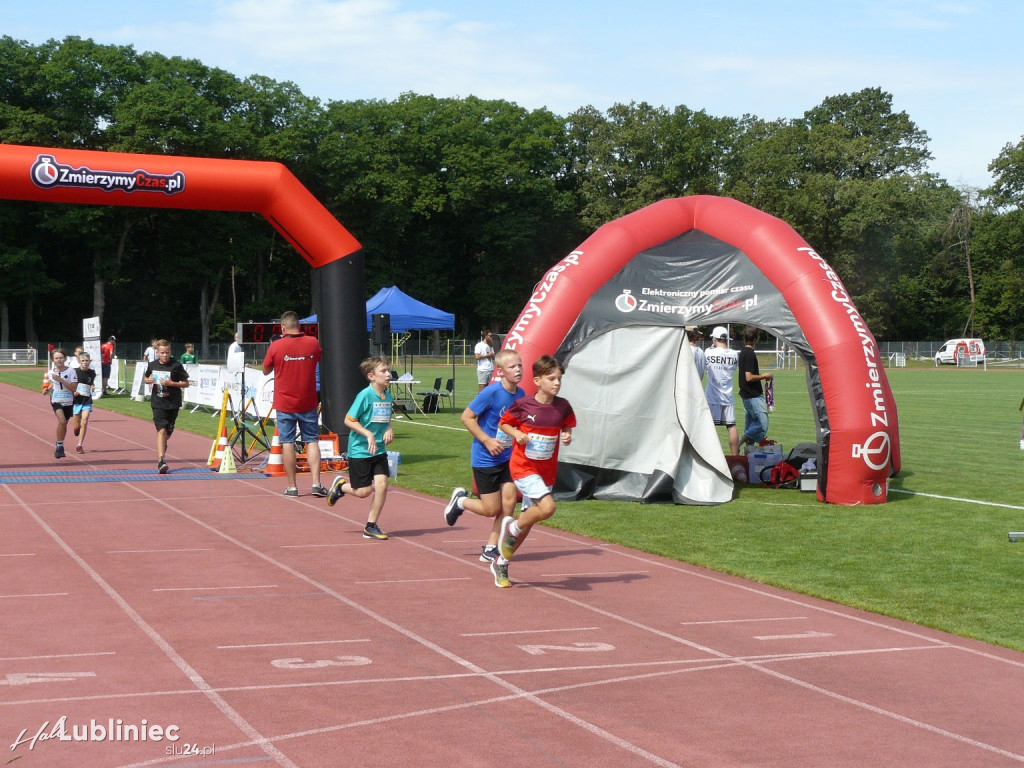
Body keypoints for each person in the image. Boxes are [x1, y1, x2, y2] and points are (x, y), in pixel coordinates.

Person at [492, 354, 576, 588]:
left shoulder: (563, 406)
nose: (557, 383)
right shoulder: (524, 405)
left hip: (546, 470)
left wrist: (567, 434)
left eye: (559, 379)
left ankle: (502, 562)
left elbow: (566, 423)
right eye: (551, 379)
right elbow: (504, 423)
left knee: (527, 525)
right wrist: (517, 433)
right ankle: (512, 526)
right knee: (547, 508)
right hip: (523, 467)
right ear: (537, 380)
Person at [443, 349, 526, 563]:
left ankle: (491, 547)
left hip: (508, 458)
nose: (517, 369)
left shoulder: (521, 395)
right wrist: (487, 440)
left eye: (519, 365)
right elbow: (467, 417)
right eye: (512, 367)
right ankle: (461, 502)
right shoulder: (491, 393)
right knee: (491, 509)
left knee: (509, 505)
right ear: (500, 371)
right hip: (485, 458)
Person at [326, 356, 394, 540]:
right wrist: (368, 434)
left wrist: (389, 428)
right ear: (371, 376)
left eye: (388, 370)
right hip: (360, 451)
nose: (388, 374)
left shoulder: (388, 395)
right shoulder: (365, 395)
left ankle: (371, 526)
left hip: (378, 450)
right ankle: (341, 487)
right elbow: (348, 419)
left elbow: (385, 417)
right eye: (383, 371)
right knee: (363, 491)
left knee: (381, 485)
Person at [262, 311, 325, 498]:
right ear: (300, 326)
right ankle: (316, 483)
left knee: (287, 442)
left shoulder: (276, 346)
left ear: (282, 327)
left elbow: (265, 370)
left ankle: (292, 487)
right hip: (308, 400)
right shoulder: (313, 343)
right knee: (312, 440)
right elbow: (318, 358)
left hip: (285, 402)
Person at [143, 339, 190, 474]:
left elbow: (186, 383)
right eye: (162, 353)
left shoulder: (176, 366)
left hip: (173, 403)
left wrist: (171, 383)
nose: (165, 355)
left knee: (167, 434)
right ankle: (161, 460)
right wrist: (149, 380)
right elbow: (146, 379)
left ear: (171, 352)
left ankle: (163, 443)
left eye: (167, 352)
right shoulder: (152, 365)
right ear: (157, 353)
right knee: (161, 431)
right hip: (157, 403)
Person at [704, 325, 740, 455]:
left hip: (712, 396)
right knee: (731, 426)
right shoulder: (734, 354)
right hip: (728, 396)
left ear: (714, 339)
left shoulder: (708, 353)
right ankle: (735, 457)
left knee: (708, 428)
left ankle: (709, 456)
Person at [738, 326, 773, 451]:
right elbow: (749, 377)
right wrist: (765, 376)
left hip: (747, 395)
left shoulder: (743, 352)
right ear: (756, 338)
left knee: (752, 426)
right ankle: (740, 440)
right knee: (762, 423)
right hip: (752, 395)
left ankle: (749, 456)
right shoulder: (750, 354)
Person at [47, 348, 77, 459]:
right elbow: (53, 384)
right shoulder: (51, 372)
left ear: (65, 358)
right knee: (62, 421)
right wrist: (48, 389)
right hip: (56, 400)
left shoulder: (71, 371)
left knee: (64, 424)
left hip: (68, 400)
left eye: (61, 357)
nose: (59, 360)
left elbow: (73, 388)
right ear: (52, 360)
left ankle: (60, 443)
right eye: (56, 358)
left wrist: (61, 380)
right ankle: (60, 447)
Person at [71, 351, 97, 454]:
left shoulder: (92, 372)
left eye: (87, 361)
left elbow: (91, 383)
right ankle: (76, 428)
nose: (85, 362)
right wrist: (74, 391)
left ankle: (79, 445)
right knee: (77, 425)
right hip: (76, 400)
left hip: (86, 399)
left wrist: (92, 386)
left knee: (85, 420)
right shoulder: (74, 372)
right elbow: (70, 385)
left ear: (90, 361)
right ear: (78, 361)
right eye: (83, 361)